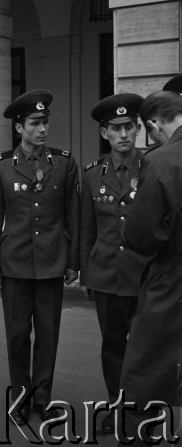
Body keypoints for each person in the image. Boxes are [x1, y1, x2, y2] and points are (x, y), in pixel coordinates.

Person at [0, 89, 80, 424]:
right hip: (15, 264)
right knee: (17, 334)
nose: (42, 129)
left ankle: (43, 397)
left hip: (53, 261)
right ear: (19, 128)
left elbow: (73, 216)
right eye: (35, 123)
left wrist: (72, 261)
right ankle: (21, 397)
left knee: (48, 334)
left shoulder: (65, 163)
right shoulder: (1, 167)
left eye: (45, 122)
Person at [80, 93, 152, 435]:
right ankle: (117, 408)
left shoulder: (153, 167)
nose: (123, 134)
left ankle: (142, 412)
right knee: (112, 346)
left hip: (144, 275)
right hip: (106, 273)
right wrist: (83, 272)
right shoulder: (92, 174)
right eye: (115, 129)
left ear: (138, 129)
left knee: (143, 348)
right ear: (104, 133)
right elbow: (86, 227)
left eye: (129, 127)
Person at [119, 90, 182, 444]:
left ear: (154, 123)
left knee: (147, 367)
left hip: (172, 276)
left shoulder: (162, 160)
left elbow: (142, 233)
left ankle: (142, 436)